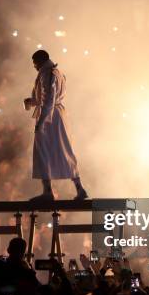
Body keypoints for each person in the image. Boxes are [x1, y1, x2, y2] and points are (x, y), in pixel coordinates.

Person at [24, 50, 88, 201]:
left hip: (50, 117)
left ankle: (48, 192)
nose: (34, 66)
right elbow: (44, 98)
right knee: (64, 150)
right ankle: (79, 188)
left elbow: (48, 100)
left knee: (43, 152)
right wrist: (31, 102)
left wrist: (41, 123)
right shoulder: (56, 72)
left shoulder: (48, 74)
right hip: (55, 115)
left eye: (34, 63)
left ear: (39, 61)